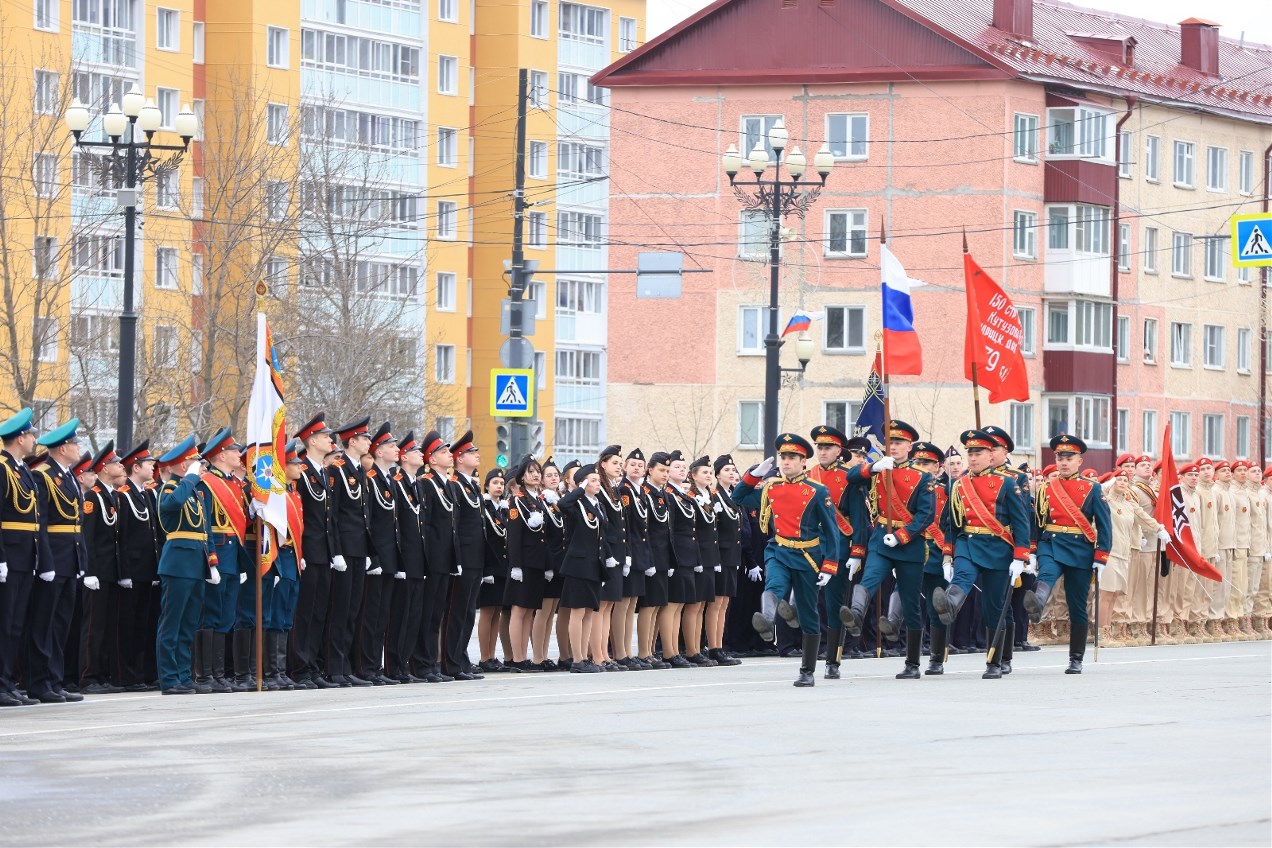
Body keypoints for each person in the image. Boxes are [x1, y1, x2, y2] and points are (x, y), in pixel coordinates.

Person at [734, 433, 840, 688]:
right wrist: (752, 475)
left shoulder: (817, 491)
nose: (786, 462)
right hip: (778, 550)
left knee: (807, 612)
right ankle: (767, 619)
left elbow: (831, 530)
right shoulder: (771, 487)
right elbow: (737, 497)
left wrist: (829, 564)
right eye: (783, 457)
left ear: (804, 461)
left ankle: (807, 669)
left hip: (807, 556)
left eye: (792, 457)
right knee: (774, 585)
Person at [932, 428, 1033, 680]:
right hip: (968, 541)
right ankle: (950, 604)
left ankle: (995, 660)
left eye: (979, 453)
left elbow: (1021, 522)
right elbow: (951, 523)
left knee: (994, 606)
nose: (973, 458)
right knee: (962, 577)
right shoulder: (959, 484)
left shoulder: (1007, 483)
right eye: (971, 453)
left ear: (991, 455)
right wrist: (947, 555)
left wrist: (1021, 556)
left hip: (998, 547)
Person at [841, 423, 935, 680]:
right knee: (870, 577)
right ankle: (856, 614)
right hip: (882, 537)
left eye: (898, 443)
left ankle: (913, 662)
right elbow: (849, 478)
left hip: (909, 543)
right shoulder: (879, 469)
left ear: (909, 447)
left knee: (910, 602)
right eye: (890, 443)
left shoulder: (922, 477)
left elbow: (926, 515)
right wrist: (872, 467)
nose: (893, 447)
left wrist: (903, 536)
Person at [1023, 434, 1113, 674]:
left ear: (1079, 461)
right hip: (1050, 543)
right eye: (1059, 457)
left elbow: (1105, 525)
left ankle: (1076, 658)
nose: (1063, 462)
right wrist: (1032, 551)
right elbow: (1038, 522)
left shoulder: (1092, 488)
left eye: (1068, 458)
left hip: (1080, 549)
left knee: (1077, 606)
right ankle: (1037, 603)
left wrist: (1101, 556)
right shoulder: (1046, 488)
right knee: (1047, 577)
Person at [25, 418, 88, 703]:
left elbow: (77, 524)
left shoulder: (68, 475)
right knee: (44, 623)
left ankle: (55, 679)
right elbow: (42, 523)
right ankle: (39, 682)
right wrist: (46, 562)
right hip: (54, 559)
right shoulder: (43, 475)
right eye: (75, 443)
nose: (78, 448)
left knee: (62, 623)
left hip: (71, 559)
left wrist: (82, 561)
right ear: (63, 448)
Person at [154, 435, 217, 695]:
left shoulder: (196, 493)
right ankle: (169, 678)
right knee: (172, 623)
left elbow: (206, 530)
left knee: (188, 624)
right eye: (194, 463)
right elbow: (172, 506)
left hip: (196, 563)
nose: (201, 468)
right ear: (183, 466)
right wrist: (189, 478)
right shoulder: (170, 489)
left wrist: (212, 562)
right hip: (178, 563)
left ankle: (183, 675)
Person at [290, 412, 343, 690]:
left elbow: (329, 517)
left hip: (324, 552)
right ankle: (299, 667)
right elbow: (298, 515)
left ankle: (312, 666)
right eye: (325, 436)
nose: (330, 440)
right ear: (311, 441)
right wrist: (299, 551)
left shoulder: (322, 471)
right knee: (305, 611)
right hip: (308, 551)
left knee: (320, 610)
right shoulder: (302, 472)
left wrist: (335, 551)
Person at [195, 428, 249, 692]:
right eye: (234, 451)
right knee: (210, 614)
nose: (239, 455)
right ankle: (205, 675)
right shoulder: (206, 483)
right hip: (217, 552)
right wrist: (210, 558)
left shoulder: (234, 484)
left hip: (233, 555)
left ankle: (218, 673)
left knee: (227, 615)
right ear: (220, 455)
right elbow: (204, 522)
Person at [803, 426, 856, 678]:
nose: (822, 452)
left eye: (827, 448)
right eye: (819, 447)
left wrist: (857, 551)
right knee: (808, 600)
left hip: (838, 544)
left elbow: (858, 516)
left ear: (838, 450)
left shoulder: (849, 477)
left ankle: (833, 659)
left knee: (835, 604)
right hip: (810, 544)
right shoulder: (807, 475)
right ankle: (809, 657)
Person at [326, 418, 374, 687]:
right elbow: (333, 514)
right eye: (364, 438)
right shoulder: (337, 469)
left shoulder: (359, 471)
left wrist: (367, 550)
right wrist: (337, 551)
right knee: (341, 609)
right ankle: (335, 668)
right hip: (345, 549)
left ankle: (347, 666)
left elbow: (363, 515)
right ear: (351, 442)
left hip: (358, 549)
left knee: (354, 609)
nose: (369, 442)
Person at [0, 408, 42, 707]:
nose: (33, 439)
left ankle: (9, 681)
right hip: (9, 555)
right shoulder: (2, 468)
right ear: (19, 438)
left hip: (26, 555)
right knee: (4, 622)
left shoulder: (23, 469)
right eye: (30, 435)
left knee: (16, 623)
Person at [1101, 470, 1169, 647]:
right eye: (1118, 480)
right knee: (1106, 593)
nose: (1123, 483)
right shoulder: (1105, 501)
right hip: (1108, 551)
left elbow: (1144, 517)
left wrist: (1159, 529)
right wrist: (1105, 487)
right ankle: (1101, 633)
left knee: (1115, 593)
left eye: (1125, 480)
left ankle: (1107, 631)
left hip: (1124, 552)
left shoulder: (1129, 503)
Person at [114, 442, 162, 692]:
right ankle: (127, 676)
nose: (153, 467)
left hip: (148, 570)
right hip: (132, 571)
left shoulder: (145, 494)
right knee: (129, 626)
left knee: (145, 624)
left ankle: (143, 673)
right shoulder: (124, 495)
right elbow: (120, 537)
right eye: (149, 463)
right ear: (136, 467)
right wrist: (123, 572)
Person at [79, 441, 124, 694]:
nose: (120, 466)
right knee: (93, 626)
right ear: (105, 468)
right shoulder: (92, 497)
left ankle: (102, 674)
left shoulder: (110, 496)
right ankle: (88, 676)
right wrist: (89, 571)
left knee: (105, 625)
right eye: (117, 463)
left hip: (110, 572)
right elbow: (88, 537)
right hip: (96, 572)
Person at [261, 440, 306, 690]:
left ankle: (280, 670)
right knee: (275, 614)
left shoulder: (293, 494)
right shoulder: (276, 494)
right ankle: (271, 671)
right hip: (278, 556)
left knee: (287, 614)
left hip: (292, 556)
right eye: (294, 463)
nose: (299, 466)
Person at [415, 430, 458, 682]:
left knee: (436, 614)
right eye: (443, 452)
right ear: (431, 460)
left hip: (445, 559)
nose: (449, 455)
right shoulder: (426, 483)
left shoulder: (446, 484)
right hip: (432, 558)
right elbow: (427, 524)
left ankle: (431, 663)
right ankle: (422, 663)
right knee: (427, 612)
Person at [442, 430, 486, 680]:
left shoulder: (470, 484)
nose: (476, 455)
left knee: (469, 612)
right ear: (459, 458)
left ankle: (461, 657)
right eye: (471, 452)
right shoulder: (455, 485)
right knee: (456, 611)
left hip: (476, 558)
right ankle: (450, 662)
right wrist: (456, 559)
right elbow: (455, 526)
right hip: (464, 559)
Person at [558, 464, 610, 672]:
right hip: (578, 565)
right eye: (593, 480)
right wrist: (580, 488)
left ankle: (584, 655)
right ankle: (577, 659)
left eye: (598, 480)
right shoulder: (577, 503)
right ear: (583, 483)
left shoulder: (597, 504)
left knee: (589, 612)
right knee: (578, 612)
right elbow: (562, 504)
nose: (597, 484)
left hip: (594, 564)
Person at [358, 423, 399, 685]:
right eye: (391, 446)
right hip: (376, 557)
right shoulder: (371, 479)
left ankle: (375, 665)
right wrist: (372, 556)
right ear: (379, 451)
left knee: (382, 615)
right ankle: (366, 666)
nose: (396, 450)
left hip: (390, 557)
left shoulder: (387, 479)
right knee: (370, 615)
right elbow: (369, 522)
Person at [661, 450, 698, 669]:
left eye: (683, 468)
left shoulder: (681, 495)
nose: (681, 470)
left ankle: (675, 650)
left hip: (688, 555)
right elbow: (671, 529)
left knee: (680, 604)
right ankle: (669, 651)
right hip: (677, 556)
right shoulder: (669, 494)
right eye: (676, 467)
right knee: (672, 604)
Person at [636, 452, 673, 669]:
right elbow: (645, 530)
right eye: (662, 470)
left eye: (668, 470)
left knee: (658, 605)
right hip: (650, 556)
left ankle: (650, 651)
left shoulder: (662, 494)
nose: (665, 474)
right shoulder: (645, 493)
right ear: (650, 470)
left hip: (663, 556)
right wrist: (648, 559)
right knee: (648, 606)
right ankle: (643, 652)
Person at [594, 445, 628, 671]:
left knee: (608, 607)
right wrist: (606, 554)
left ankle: (605, 654)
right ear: (603, 464)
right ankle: (596, 654)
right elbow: (602, 528)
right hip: (605, 554)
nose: (619, 467)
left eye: (620, 463)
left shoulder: (613, 490)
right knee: (601, 606)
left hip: (616, 553)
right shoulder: (599, 490)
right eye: (615, 463)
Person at [707, 455, 742, 666]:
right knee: (716, 603)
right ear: (717, 474)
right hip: (719, 555)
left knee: (724, 603)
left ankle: (720, 645)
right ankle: (713, 647)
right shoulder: (714, 496)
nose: (731, 473)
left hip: (731, 555)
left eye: (733, 470)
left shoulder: (731, 495)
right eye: (727, 470)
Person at [617, 449, 651, 670]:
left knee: (632, 605)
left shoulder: (640, 492)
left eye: (640, 465)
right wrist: (627, 554)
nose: (637, 468)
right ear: (625, 468)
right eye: (633, 464)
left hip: (641, 553)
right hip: (629, 552)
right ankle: (621, 652)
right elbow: (625, 525)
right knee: (623, 605)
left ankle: (628, 651)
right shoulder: (624, 490)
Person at [477, 468, 509, 672]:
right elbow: (484, 539)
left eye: (501, 483)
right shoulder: (484, 507)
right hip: (490, 566)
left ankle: (492, 654)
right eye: (495, 482)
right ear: (487, 486)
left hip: (502, 566)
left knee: (497, 612)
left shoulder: (503, 509)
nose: (499, 486)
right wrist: (486, 568)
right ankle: (483, 657)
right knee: (487, 612)